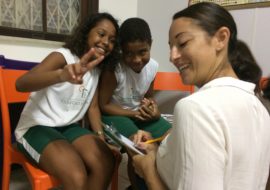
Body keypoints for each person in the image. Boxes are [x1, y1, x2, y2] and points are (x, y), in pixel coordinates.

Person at [130, 2, 270, 190]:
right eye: (171, 46)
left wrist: (148, 171)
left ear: (221, 38)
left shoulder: (196, 107)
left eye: (183, 43)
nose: (172, 56)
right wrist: (160, 149)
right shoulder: (260, 109)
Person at [15, 12, 120, 190]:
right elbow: (21, 83)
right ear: (87, 33)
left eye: (111, 40)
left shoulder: (96, 69)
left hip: (68, 127)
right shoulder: (63, 56)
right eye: (101, 34)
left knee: (105, 161)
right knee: (77, 175)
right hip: (36, 127)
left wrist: (100, 137)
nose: (105, 42)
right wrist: (61, 75)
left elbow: (93, 106)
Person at [98, 17, 171, 190]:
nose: (137, 59)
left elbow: (148, 96)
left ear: (150, 45)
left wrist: (152, 108)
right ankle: (136, 186)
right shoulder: (115, 69)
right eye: (129, 53)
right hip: (113, 115)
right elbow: (103, 105)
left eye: (142, 52)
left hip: (137, 114)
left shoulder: (152, 67)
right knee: (139, 147)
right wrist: (135, 114)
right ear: (121, 50)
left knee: (172, 137)